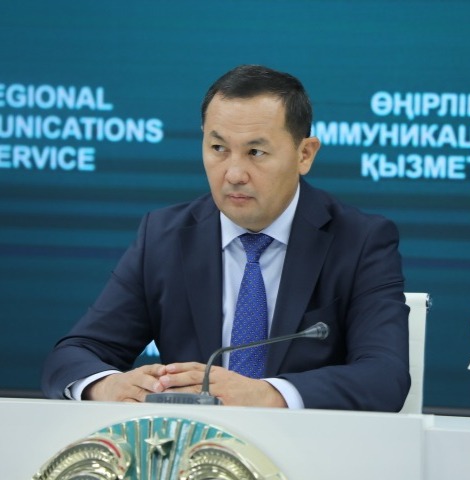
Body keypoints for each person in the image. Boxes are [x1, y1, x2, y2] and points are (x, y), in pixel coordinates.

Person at [42, 65, 410, 410]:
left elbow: (384, 376)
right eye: (218, 148)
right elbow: (73, 355)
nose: (234, 173)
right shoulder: (163, 237)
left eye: (256, 152)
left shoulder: (360, 241)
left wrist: (267, 394)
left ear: (304, 154)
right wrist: (108, 386)